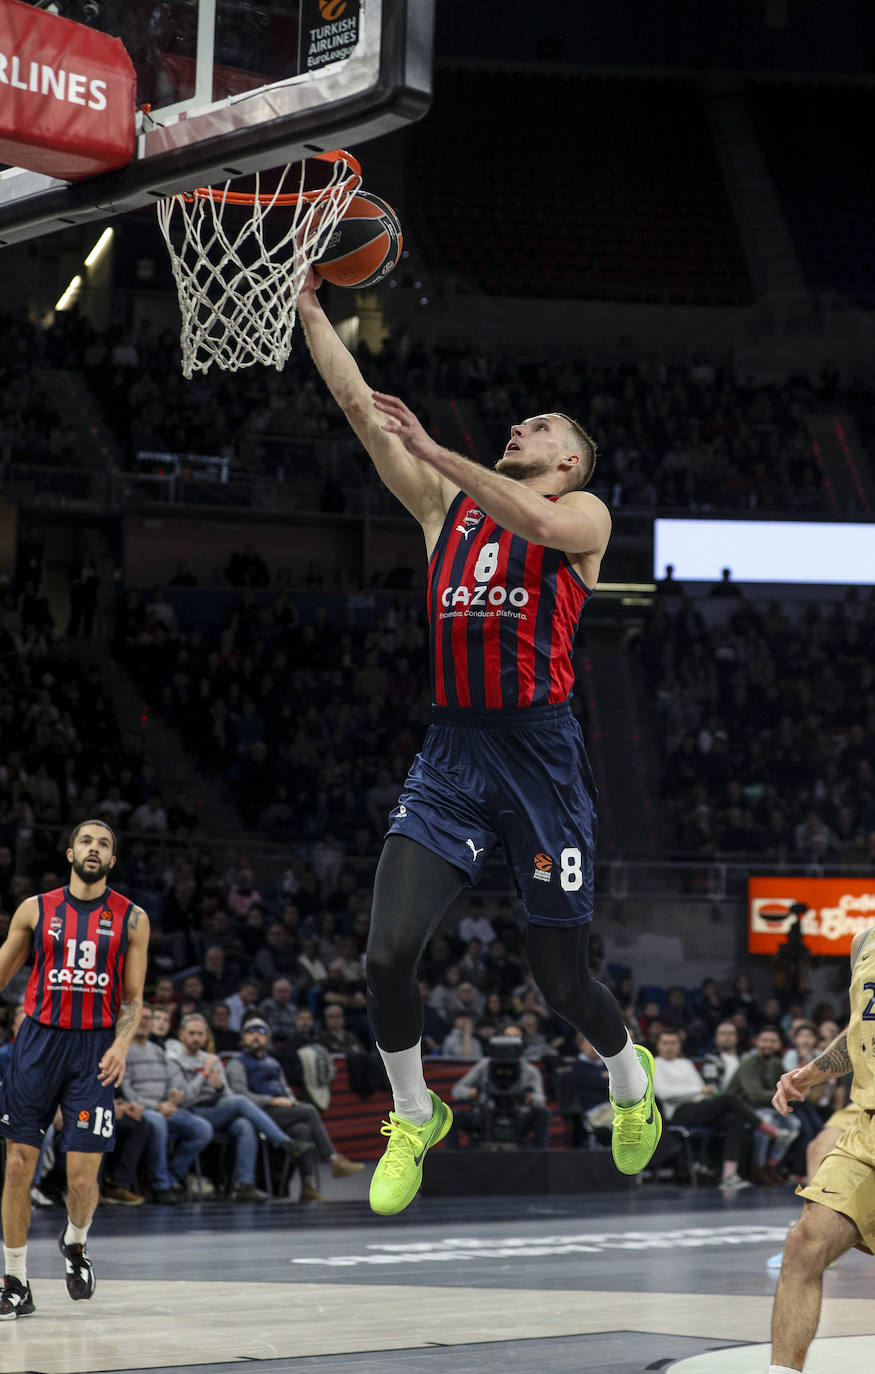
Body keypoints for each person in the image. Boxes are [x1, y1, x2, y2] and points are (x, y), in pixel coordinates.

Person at [299, 272, 661, 1216]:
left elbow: (533, 518)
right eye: (524, 423)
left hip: (542, 762)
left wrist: (436, 448)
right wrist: (302, 305)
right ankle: (414, 1115)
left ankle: (630, 1079)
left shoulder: (583, 519)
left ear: (570, 462)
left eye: (544, 428)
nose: (525, 429)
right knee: (384, 957)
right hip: (454, 756)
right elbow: (356, 407)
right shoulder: (440, 510)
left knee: (561, 982)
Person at [0, 819, 150, 1317]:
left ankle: (75, 1242)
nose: (94, 848)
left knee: (83, 1181)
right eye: (86, 840)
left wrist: (122, 1044)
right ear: (69, 852)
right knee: (19, 1162)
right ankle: (15, 1282)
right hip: (38, 1044)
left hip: (93, 1053)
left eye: (104, 844)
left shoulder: (132, 918)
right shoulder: (35, 910)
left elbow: (132, 998)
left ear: (112, 860)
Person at [769, 927, 875, 1373]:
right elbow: (860, 1030)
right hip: (868, 1128)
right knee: (804, 1244)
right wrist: (812, 1072)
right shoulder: (864, 941)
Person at [165, 1013, 301, 1201]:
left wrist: (219, 1087)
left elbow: (228, 1094)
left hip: (216, 1110)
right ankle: (282, 1141)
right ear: (182, 1035)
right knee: (239, 1102)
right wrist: (203, 1074)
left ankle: (244, 1185)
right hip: (191, 1111)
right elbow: (182, 1099)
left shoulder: (212, 1059)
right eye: (192, 1033)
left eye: (200, 1034)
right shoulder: (174, 1060)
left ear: (206, 1036)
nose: (196, 1038)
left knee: (244, 1124)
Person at [224, 1017, 363, 1200]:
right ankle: (333, 1158)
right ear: (243, 1038)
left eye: (261, 1032)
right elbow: (239, 1094)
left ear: (268, 1038)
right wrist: (272, 1101)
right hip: (258, 1114)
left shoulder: (273, 1063)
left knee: (303, 1129)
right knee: (309, 1111)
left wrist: (290, 1101)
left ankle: (307, 1186)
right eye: (251, 1032)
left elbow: (286, 1090)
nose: (256, 1036)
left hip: (280, 1113)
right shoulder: (238, 1062)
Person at [652, 1028, 779, 1191]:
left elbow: (701, 1087)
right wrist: (698, 1091)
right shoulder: (654, 1064)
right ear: (658, 1045)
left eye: (673, 1043)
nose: (669, 1047)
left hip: (699, 1107)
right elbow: (665, 1094)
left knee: (735, 1118)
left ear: (679, 1045)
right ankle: (768, 1129)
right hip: (679, 1113)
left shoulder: (686, 1063)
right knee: (729, 1098)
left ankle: (729, 1175)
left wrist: (702, 1092)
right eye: (665, 1043)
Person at [121, 1005, 214, 1202]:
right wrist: (157, 1106)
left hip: (166, 1108)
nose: (145, 1021)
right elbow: (127, 1091)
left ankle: (171, 1177)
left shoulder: (158, 1051)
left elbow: (174, 1078)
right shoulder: (122, 1049)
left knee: (202, 1128)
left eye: (149, 1018)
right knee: (157, 1121)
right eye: (141, 1017)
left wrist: (173, 1097)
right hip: (142, 1109)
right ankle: (159, 1185)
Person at [448, 1024, 551, 1150]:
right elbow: (457, 1090)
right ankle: (453, 1162)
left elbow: (541, 1100)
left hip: (517, 1116)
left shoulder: (530, 1071)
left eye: (515, 1037)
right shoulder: (485, 1065)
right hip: (485, 1115)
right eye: (507, 1036)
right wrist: (474, 1092)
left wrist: (529, 1098)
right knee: (451, 1117)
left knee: (543, 1114)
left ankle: (538, 1157)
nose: (511, 1041)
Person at [728, 1026, 801, 1184]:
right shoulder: (749, 1063)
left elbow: (786, 1085)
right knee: (767, 1120)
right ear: (756, 1042)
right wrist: (789, 1096)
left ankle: (771, 1165)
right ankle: (757, 1167)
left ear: (779, 1045)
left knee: (794, 1123)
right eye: (764, 1040)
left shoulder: (775, 1063)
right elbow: (755, 1096)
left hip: (767, 1106)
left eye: (773, 1041)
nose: (768, 1044)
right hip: (744, 1109)